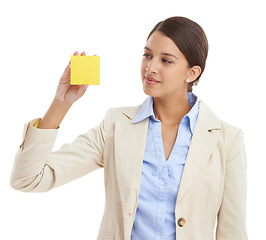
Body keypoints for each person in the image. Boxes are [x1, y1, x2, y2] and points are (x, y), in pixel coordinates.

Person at [10, 16, 248, 240]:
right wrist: (61, 103)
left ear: (192, 73)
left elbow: (232, 231)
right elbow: (28, 179)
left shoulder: (227, 139)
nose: (150, 67)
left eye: (166, 60)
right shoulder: (116, 126)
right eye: (147, 55)